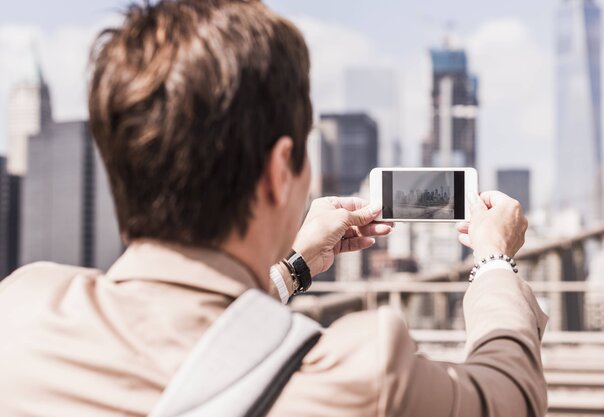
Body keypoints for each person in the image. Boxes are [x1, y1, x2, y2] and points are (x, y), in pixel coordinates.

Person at [0, 0, 548, 416]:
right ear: (279, 169)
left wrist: (294, 267)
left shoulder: (20, 314)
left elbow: (186, 319)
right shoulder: (364, 376)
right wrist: (495, 262)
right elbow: (512, 395)